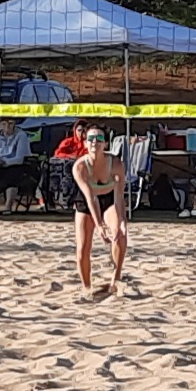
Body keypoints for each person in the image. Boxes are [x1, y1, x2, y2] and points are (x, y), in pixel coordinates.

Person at [72, 124, 127, 295]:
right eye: (91, 139)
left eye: (99, 139)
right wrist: (99, 226)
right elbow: (90, 198)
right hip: (86, 203)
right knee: (83, 247)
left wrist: (122, 221)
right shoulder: (80, 167)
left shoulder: (116, 164)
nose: (95, 142)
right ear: (85, 144)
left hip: (109, 199)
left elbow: (119, 197)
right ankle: (86, 287)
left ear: (106, 144)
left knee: (120, 234)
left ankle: (115, 281)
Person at [0, 117, 32, 213]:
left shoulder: (21, 135)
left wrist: (5, 162)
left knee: (13, 173)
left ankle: (8, 206)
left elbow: (20, 158)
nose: (7, 127)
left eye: (10, 124)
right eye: (4, 124)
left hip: (13, 163)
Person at [46, 120, 88, 208]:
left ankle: (69, 200)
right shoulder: (68, 141)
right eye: (79, 130)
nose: (81, 133)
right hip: (60, 169)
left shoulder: (89, 144)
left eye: (84, 131)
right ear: (75, 131)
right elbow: (57, 153)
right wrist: (71, 156)